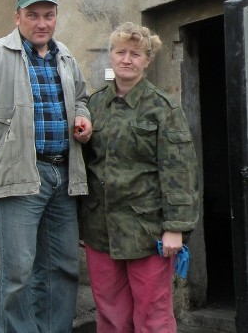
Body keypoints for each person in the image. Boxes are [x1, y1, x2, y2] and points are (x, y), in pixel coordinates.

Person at [0, 0, 93, 333]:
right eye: (32, 15)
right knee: (18, 272)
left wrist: (81, 117)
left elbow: (82, 98)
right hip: (19, 177)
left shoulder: (66, 57)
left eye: (48, 15)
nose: (41, 23)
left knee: (63, 266)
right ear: (18, 18)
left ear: (56, 17)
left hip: (63, 175)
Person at [80, 22, 199, 333]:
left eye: (136, 54)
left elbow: (180, 171)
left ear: (148, 60)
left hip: (148, 231)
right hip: (101, 230)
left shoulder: (163, 108)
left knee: (152, 316)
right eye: (121, 52)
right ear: (111, 56)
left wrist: (175, 228)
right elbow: (86, 166)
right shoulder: (95, 105)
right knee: (110, 316)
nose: (127, 59)